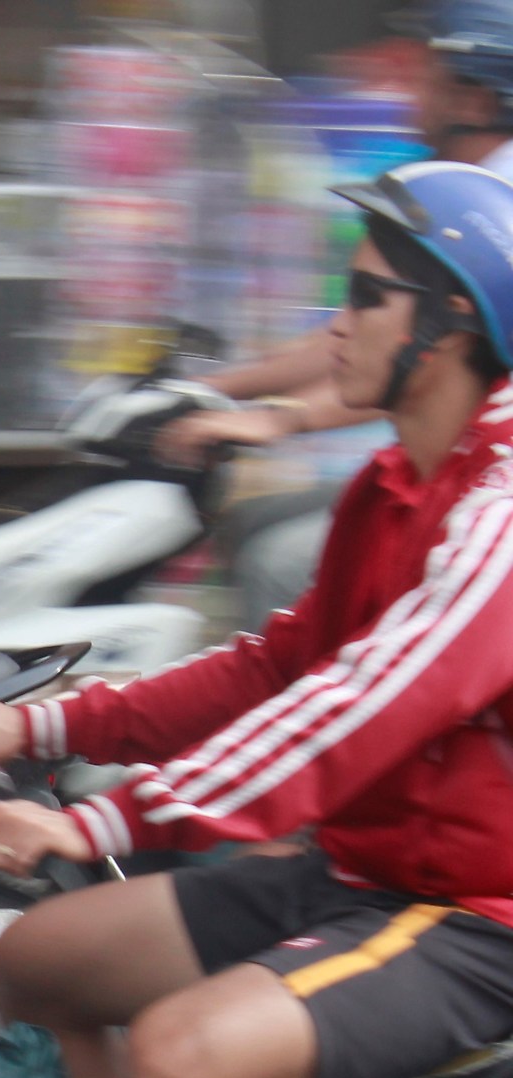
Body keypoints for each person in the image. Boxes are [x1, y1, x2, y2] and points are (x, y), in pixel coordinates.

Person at [0, 161, 513, 1078]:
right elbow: (277, 666)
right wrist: (41, 730)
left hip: (474, 919)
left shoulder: (501, 507)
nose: (336, 321)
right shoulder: (388, 485)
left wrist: (105, 818)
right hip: (360, 872)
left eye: (364, 297)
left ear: (448, 327)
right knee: (35, 962)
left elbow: (362, 706)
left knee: (181, 1054)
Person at [160, 1, 513, 625]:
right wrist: (202, 386)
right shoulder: (456, 182)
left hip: (487, 483)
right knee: (252, 522)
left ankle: (331, 711)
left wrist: (283, 419)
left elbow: (431, 353)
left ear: (477, 101)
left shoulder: (494, 208)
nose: (412, 91)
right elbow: (360, 328)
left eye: (429, 76)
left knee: (282, 560)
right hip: (452, 459)